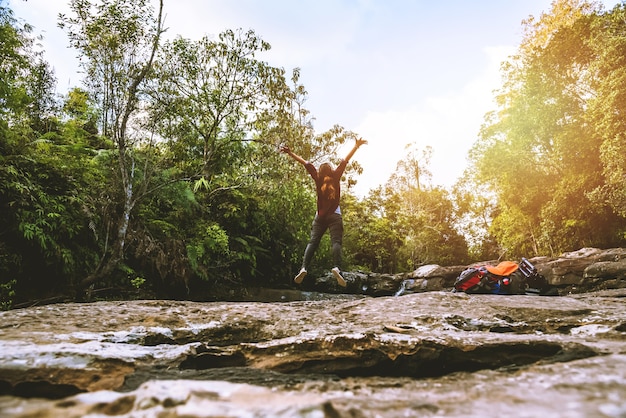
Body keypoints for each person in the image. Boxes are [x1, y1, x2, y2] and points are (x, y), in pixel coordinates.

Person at [280, 138, 367, 286]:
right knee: (336, 242)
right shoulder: (336, 175)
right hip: (335, 215)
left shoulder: (317, 177)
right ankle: (337, 268)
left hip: (319, 216)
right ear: (331, 170)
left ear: (320, 171)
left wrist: (290, 153)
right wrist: (355, 146)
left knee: (313, 242)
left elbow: (305, 163)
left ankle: (303, 268)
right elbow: (345, 160)